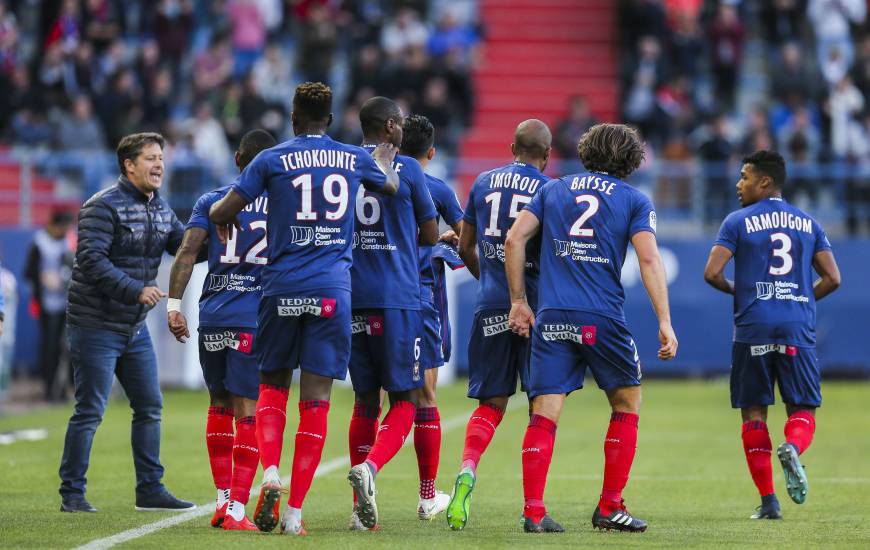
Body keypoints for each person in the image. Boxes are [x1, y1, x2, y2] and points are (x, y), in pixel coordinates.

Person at [208, 82, 400, 536]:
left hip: (280, 287)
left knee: (272, 387)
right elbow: (389, 185)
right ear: (330, 121)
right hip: (333, 290)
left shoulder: (271, 159)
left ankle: (269, 472)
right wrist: (385, 160)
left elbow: (222, 209)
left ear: (293, 119)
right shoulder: (353, 157)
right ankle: (294, 512)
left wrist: (224, 213)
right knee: (317, 400)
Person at [505, 123, 678, 533]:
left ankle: (533, 512)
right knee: (626, 401)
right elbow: (650, 260)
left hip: (551, 316)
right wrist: (665, 322)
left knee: (544, 412)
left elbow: (515, 240)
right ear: (631, 160)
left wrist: (518, 302)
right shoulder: (635, 200)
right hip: (601, 316)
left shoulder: (552, 189)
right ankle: (609, 507)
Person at [59, 132, 194, 513]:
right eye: (150, 158)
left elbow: (184, 248)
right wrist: (135, 289)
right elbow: (91, 261)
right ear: (128, 165)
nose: (159, 165)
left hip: (133, 329)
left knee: (150, 406)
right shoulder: (101, 207)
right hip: (95, 324)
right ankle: (72, 494)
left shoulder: (160, 207)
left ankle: (150, 489)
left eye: (161, 158)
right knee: (91, 410)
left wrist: (215, 235)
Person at [703, 150, 841, 520]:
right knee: (803, 408)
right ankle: (794, 446)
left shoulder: (736, 221)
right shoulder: (809, 223)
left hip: (753, 327)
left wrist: (743, 290)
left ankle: (769, 502)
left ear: (765, 181)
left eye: (745, 176)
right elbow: (833, 277)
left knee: (753, 413)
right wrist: (798, 294)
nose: (738, 183)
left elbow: (712, 273)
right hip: (796, 325)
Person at [166, 129, 277, 531]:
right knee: (248, 409)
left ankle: (222, 500)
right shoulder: (283, 203)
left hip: (212, 313)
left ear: (237, 159)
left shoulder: (211, 201)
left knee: (218, 406)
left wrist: (174, 305)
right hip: (255, 317)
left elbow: (186, 252)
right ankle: (235, 511)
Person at [445, 119, 551, 532]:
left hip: (489, 305)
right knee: (541, 405)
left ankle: (468, 469)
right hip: (534, 310)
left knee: (490, 405)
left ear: (512, 147)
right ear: (545, 156)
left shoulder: (483, 181)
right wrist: (520, 298)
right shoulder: (548, 189)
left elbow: (466, 244)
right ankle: (533, 508)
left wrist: (490, 285)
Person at [346, 96, 439, 531]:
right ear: (387, 127)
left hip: (351, 295)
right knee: (406, 398)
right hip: (398, 296)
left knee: (365, 399)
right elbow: (430, 232)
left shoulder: (342, 163)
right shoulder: (411, 168)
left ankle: (356, 511)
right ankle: (371, 469)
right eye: (399, 122)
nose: (403, 128)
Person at [399, 114, 464, 519]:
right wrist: (448, 239)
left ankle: (359, 503)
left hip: (372, 298)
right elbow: (465, 234)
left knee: (373, 399)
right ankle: (426, 496)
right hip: (422, 298)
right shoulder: (435, 188)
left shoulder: (370, 183)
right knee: (425, 397)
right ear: (432, 152)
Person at [24, 210, 74, 401]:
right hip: (47, 304)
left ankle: (66, 387)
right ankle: (49, 387)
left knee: (69, 347)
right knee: (50, 345)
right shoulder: (39, 242)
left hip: (67, 302)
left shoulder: (68, 241)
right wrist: (43, 278)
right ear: (53, 225)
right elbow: (28, 271)